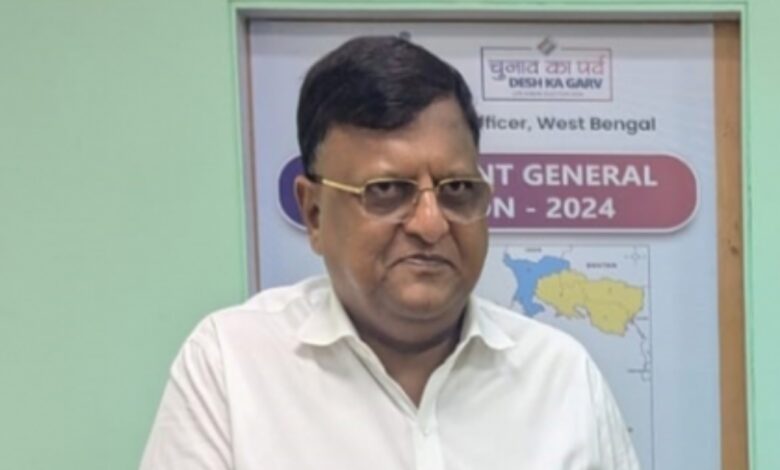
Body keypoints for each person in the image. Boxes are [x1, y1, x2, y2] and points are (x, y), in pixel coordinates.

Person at [140, 35, 640, 470]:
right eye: (386, 191)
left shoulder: (561, 376)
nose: (430, 223)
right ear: (314, 213)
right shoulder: (231, 366)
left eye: (457, 189)